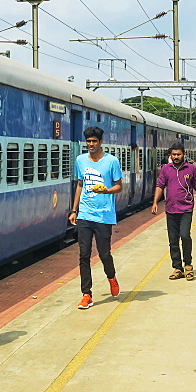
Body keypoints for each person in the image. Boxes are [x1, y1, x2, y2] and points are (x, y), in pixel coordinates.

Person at [70, 126, 123, 309]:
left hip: (104, 215)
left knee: (104, 253)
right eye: (88, 141)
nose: (91, 144)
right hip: (85, 214)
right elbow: (79, 185)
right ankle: (87, 294)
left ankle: (111, 277)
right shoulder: (80, 160)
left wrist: (106, 190)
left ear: (101, 142)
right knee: (84, 254)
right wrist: (74, 210)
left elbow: (119, 186)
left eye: (94, 141)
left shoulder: (111, 161)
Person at [152, 143, 196, 281]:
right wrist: (155, 203)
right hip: (170, 209)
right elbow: (160, 186)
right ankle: (177, 268)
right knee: (173, 240)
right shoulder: (165, 169)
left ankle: (188, 265)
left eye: (178, 154)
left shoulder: (191, 169)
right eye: (174, 154)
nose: (176, 157)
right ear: (170, 155)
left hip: (186, 209)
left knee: (185, 236)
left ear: (184, 154)